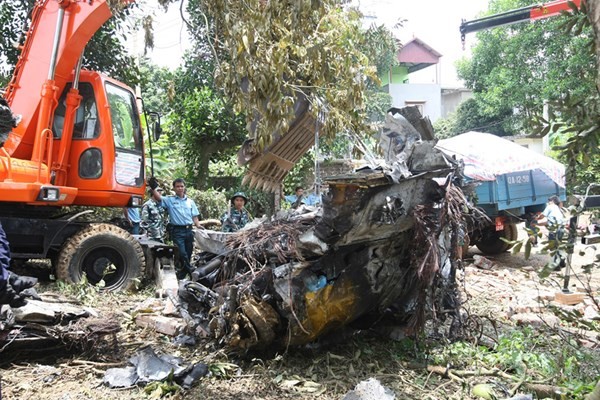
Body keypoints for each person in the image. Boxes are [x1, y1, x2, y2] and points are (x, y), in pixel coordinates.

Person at [150, 178, 203, 279]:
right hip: (177, 231)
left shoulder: (190, 202)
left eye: (182, 186)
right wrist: (154, 188)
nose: (180, 188)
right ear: (174, 188)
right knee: (182, 253)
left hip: (189, 230)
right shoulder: (170, 200)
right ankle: (191, 270)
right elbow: (158, 198)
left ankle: (182, 274)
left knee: (188, 252)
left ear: (184, 187)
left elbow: (195, 216)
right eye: (177, 186)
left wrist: (198, 225)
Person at [536, 195, 566, 269]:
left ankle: (556, 266)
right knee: (559, 245)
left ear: (552, 201)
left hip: (554, 230)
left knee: (553, 247)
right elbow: (547, 222)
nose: (548, 203)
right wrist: (537, 224)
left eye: (549, 201)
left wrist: (536, 218)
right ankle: (562, 262)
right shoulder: (558, 209)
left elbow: (542, 216)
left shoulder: (550, 206)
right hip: (561, 228)